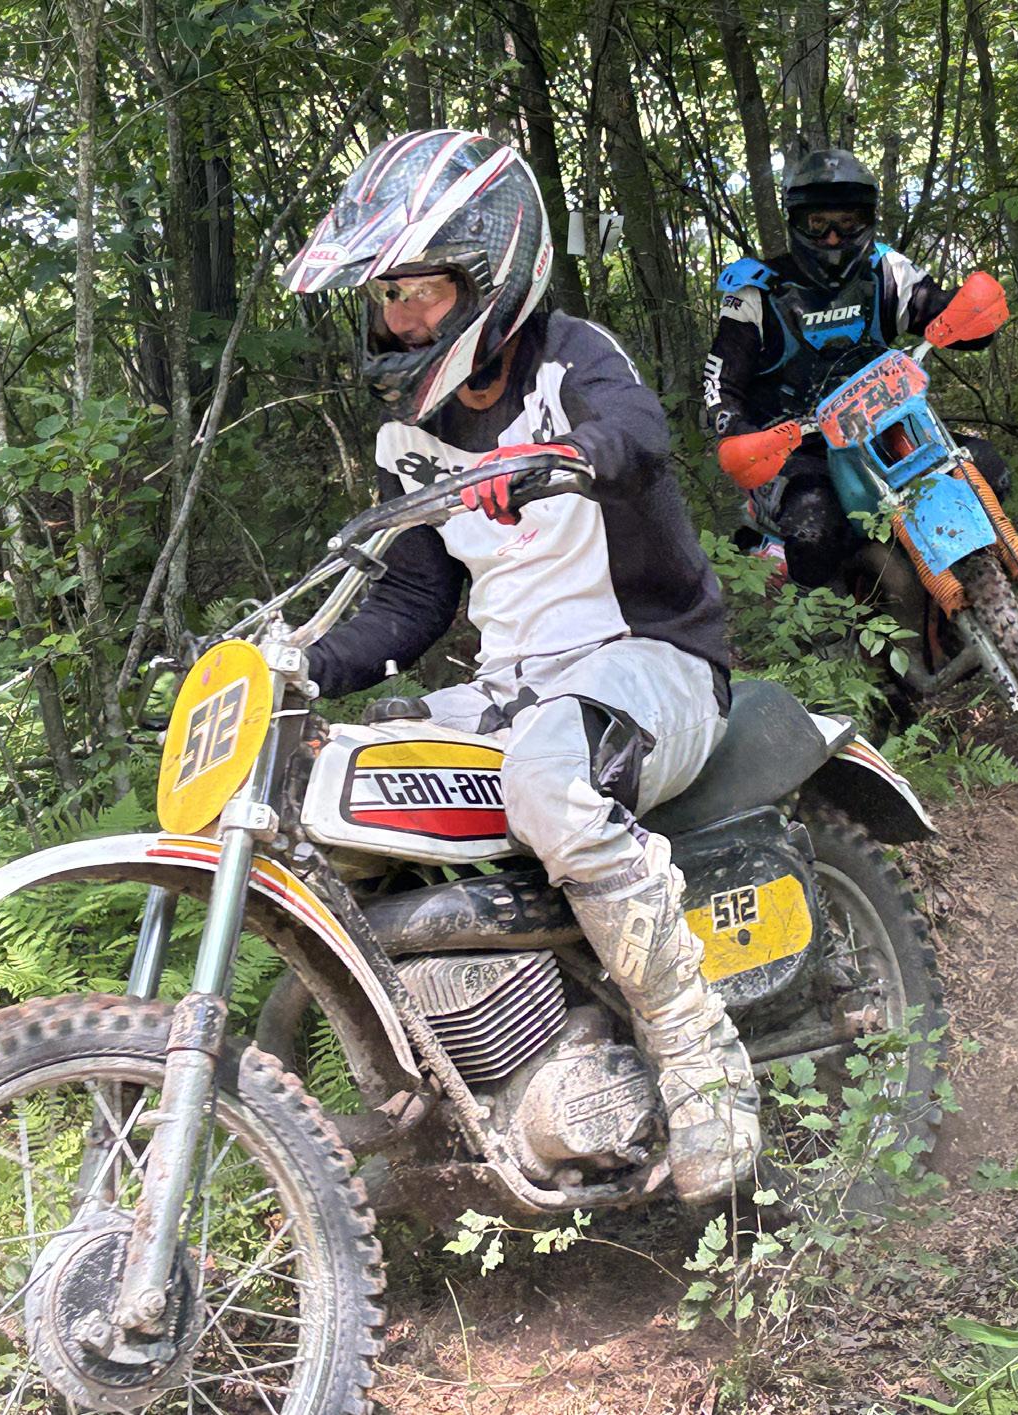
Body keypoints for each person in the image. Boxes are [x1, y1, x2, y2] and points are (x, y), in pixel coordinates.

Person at [282, 130, 756, 1204]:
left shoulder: (574, 359)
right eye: (387, 295)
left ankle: (697, 1052)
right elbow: (411, 602)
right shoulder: (410, 437)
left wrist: (560, 456)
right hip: (512, 691)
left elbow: (635, 435)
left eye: (419, 289)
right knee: (332, 778)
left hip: (652, 663)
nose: (400, 317)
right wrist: (299, 661)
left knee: (549, 773)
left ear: (489, 276)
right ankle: (446, 1076)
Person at [701, 148, 1011, 588]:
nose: (832, 238)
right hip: (797, 450)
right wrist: (735, 430)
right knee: (813, 533)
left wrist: (972, 315)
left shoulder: (886, 271)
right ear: (797, 222)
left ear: (866, 219)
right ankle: (822, 619)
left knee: (988, 471)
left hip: (885, 430)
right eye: (819, 223)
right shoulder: (758, 292)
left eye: (846, 223)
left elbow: (937, 309)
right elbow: (720, 382)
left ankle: (982, 583)